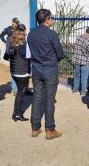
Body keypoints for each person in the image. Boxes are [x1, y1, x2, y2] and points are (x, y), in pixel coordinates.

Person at [27, 9, 64, 140]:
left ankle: (35, 128)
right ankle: (50, 129)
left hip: (36, 69)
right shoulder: (51, 34)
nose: (53, 19)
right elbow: (60, 53)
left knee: (37, 98)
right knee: (49, 99)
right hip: (50, 70)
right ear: (47, 19)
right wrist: (52, 61)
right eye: (52, 17)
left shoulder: (31, 34)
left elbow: (30, 52)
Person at [8, 26, 31, 121]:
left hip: (14, 72)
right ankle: (17, 114)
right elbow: (30, 58)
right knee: (21, 93)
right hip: (22, 73)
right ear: (22, 36)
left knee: (19, 92)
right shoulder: (24, 46)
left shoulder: (11, 46)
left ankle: (16, 113)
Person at [72, 26, 89, 96]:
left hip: (77, 60)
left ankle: (74, 89)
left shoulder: (78, 37)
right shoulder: (88, 41)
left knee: (76, 76)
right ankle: (83, 92)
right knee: (84, 78)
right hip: (85, 62)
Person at [0, 17, 20, 95]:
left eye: (18, 22)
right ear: (12, 22)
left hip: (19, 51)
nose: (17, 24)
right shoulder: (8, 29)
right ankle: (15, 89)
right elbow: (1, 36)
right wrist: (5, 42)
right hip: (11, 51)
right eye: (16, 22)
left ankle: (20, 88)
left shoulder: (19, 29)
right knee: (14, 70)